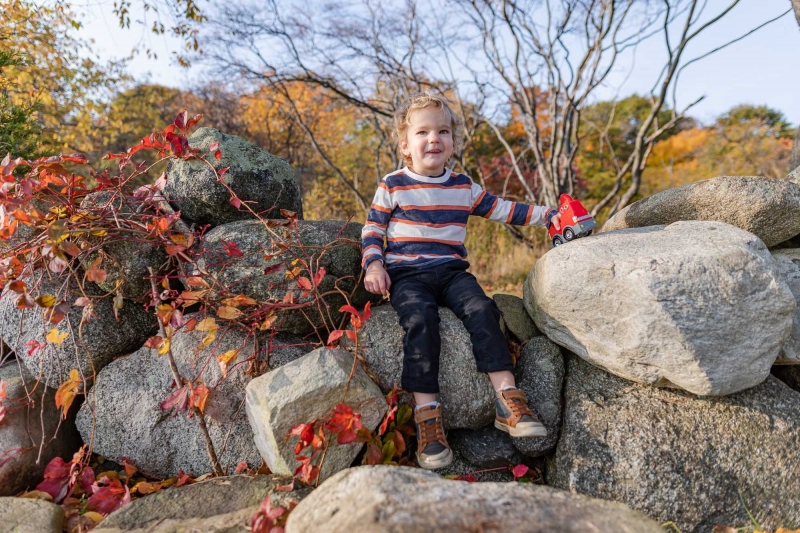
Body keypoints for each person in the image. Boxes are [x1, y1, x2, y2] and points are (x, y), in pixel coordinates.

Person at [361, 91, 562, 470]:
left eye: (443, 131)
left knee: (483, 309)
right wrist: (374, 266)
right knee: (421, 321)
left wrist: (547, 215)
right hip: (408, 274)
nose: (433, 138)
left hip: (452, 272)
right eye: (422, 132)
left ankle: (508, 399)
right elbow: (372, 229)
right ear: (405, 145)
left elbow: (504, 209)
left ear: (452, 140)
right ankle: (428, 416)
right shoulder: (394, 184)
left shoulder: (463, 186)